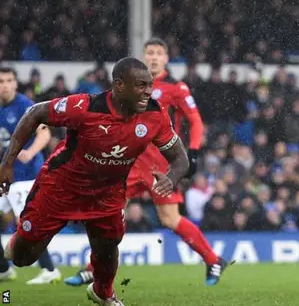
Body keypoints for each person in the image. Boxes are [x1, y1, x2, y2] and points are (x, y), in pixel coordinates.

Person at [0, 58, 190, 306]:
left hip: (107, 193)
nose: (148, 91)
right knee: (22, 258)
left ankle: (103, 292)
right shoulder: (84, 106)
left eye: (149, 85)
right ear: (119, 85)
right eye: (141, 85)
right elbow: (35, 113)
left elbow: (180, 159)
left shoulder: (155, 115)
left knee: (108, 249)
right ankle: (21, 239)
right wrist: (7, 163)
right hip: (61, 187)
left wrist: (171, 177)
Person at [65, 38, 229, 288]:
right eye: (149, 53)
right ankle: (92, 269)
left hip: (159, 166)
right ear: (143, 57)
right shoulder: (130, 85)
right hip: (127, 162)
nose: (153, 57)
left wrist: (193, 153)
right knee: (108, 213)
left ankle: (213, 259)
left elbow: (195, 121)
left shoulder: (176, 88)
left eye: (158, 53)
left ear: (166, 59)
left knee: (169, 219)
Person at [0, 67, 62, 284]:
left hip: (26, 176)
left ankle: (49, 269)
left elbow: (44, 132)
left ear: (16, 84)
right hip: (6, 177)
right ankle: (3, 269)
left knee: (25, 223)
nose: (5, 85)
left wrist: (30, 153)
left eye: (9, 80)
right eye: (1, 81)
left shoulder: (24, 105)